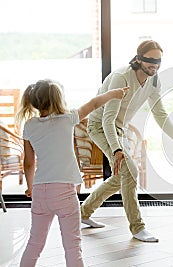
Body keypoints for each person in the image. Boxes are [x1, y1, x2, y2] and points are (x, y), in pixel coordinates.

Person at [80, 40, 173, 242]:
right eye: (150, 61)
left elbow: (159, 113)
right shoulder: (121, 78)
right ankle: (137, 227)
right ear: (138, 59)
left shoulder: (154, 81)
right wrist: (117, 149)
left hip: (120, 129)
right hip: (100, 126)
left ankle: (83, 213)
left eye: (158, 61)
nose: (154, 65)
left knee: (122, 176)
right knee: (130, 171)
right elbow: (107, 119)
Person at [16, 79, 128, 267]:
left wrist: (30, 186)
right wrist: (113, 94)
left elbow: (28, 163)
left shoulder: (30, 125)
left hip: (40, 193)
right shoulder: (67, 118)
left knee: (34, 243)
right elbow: (93, 104)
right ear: (58, 100)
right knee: (72, 245)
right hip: (64, 192)